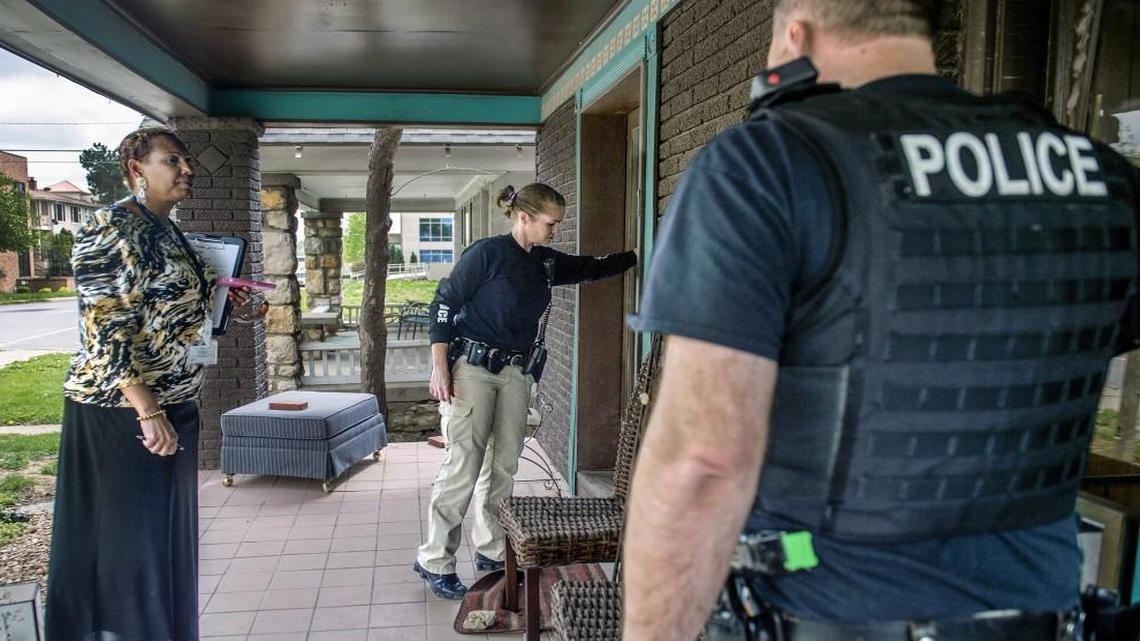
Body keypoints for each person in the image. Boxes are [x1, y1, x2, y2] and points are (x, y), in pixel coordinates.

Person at [622, 1, 1140, 640]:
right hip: (1047, 618)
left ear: (797, 33)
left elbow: (703, 460)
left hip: (829, 615)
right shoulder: (1101, 177)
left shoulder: (770, 161)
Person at [46, 127, 250, 640]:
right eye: (172, 160)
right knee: (129, 546)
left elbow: (169, 307)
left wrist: (222, 300)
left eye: (186, 160)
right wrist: (147, 409)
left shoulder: (167, 227)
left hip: (175, 402)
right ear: (138, 169)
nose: (187, 169)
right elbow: (104, 325)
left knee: (163, 543)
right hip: (121, 413)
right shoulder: (110, 227)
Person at [414, 183, 637, 599]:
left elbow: (591, 267)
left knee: (502, 466)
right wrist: (439, 366)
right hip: (473, 370)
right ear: (524, 218)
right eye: (551, 224)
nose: (555, 231)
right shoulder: (487, 253)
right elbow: (443, 302)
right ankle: (434, 560)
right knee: (464, 465)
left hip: (516, 373)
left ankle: (492, 548)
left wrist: (637, 255)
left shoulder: (546, 263)